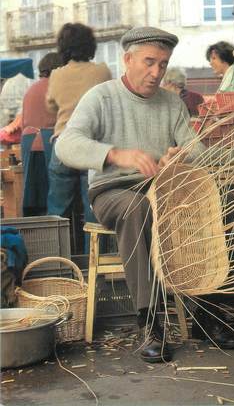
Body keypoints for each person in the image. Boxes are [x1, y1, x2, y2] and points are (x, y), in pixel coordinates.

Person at [55, 26, 207, 363]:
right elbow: (66, 144)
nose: (156, 73)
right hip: (113, 193)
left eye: (163, 65)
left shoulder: (171, 103)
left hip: (161, 189)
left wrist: (179, 157)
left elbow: (195, 147)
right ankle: (150, 321)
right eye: (149, 62)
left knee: (218, 197)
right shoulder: (102, 97)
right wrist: (114, 154)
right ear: (127, 59)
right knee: (137, 207)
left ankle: (209, 311)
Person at [46, 22, 112, 251]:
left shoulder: (56, 74)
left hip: (63, 145)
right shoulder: (102, 72)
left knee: (57, 211)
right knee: (93, 209)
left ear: (63, 47)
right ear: (90, 45)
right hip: (92, 147)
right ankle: (94, 267)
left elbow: (51, 105)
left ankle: (58, 264)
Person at [21, 52, 63, 216]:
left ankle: (36, 235)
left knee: (32, 195)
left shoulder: (31, 89)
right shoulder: (56, 86)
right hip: (48, 143)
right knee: (53, 196)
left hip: (28, 143)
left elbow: (25, 121)